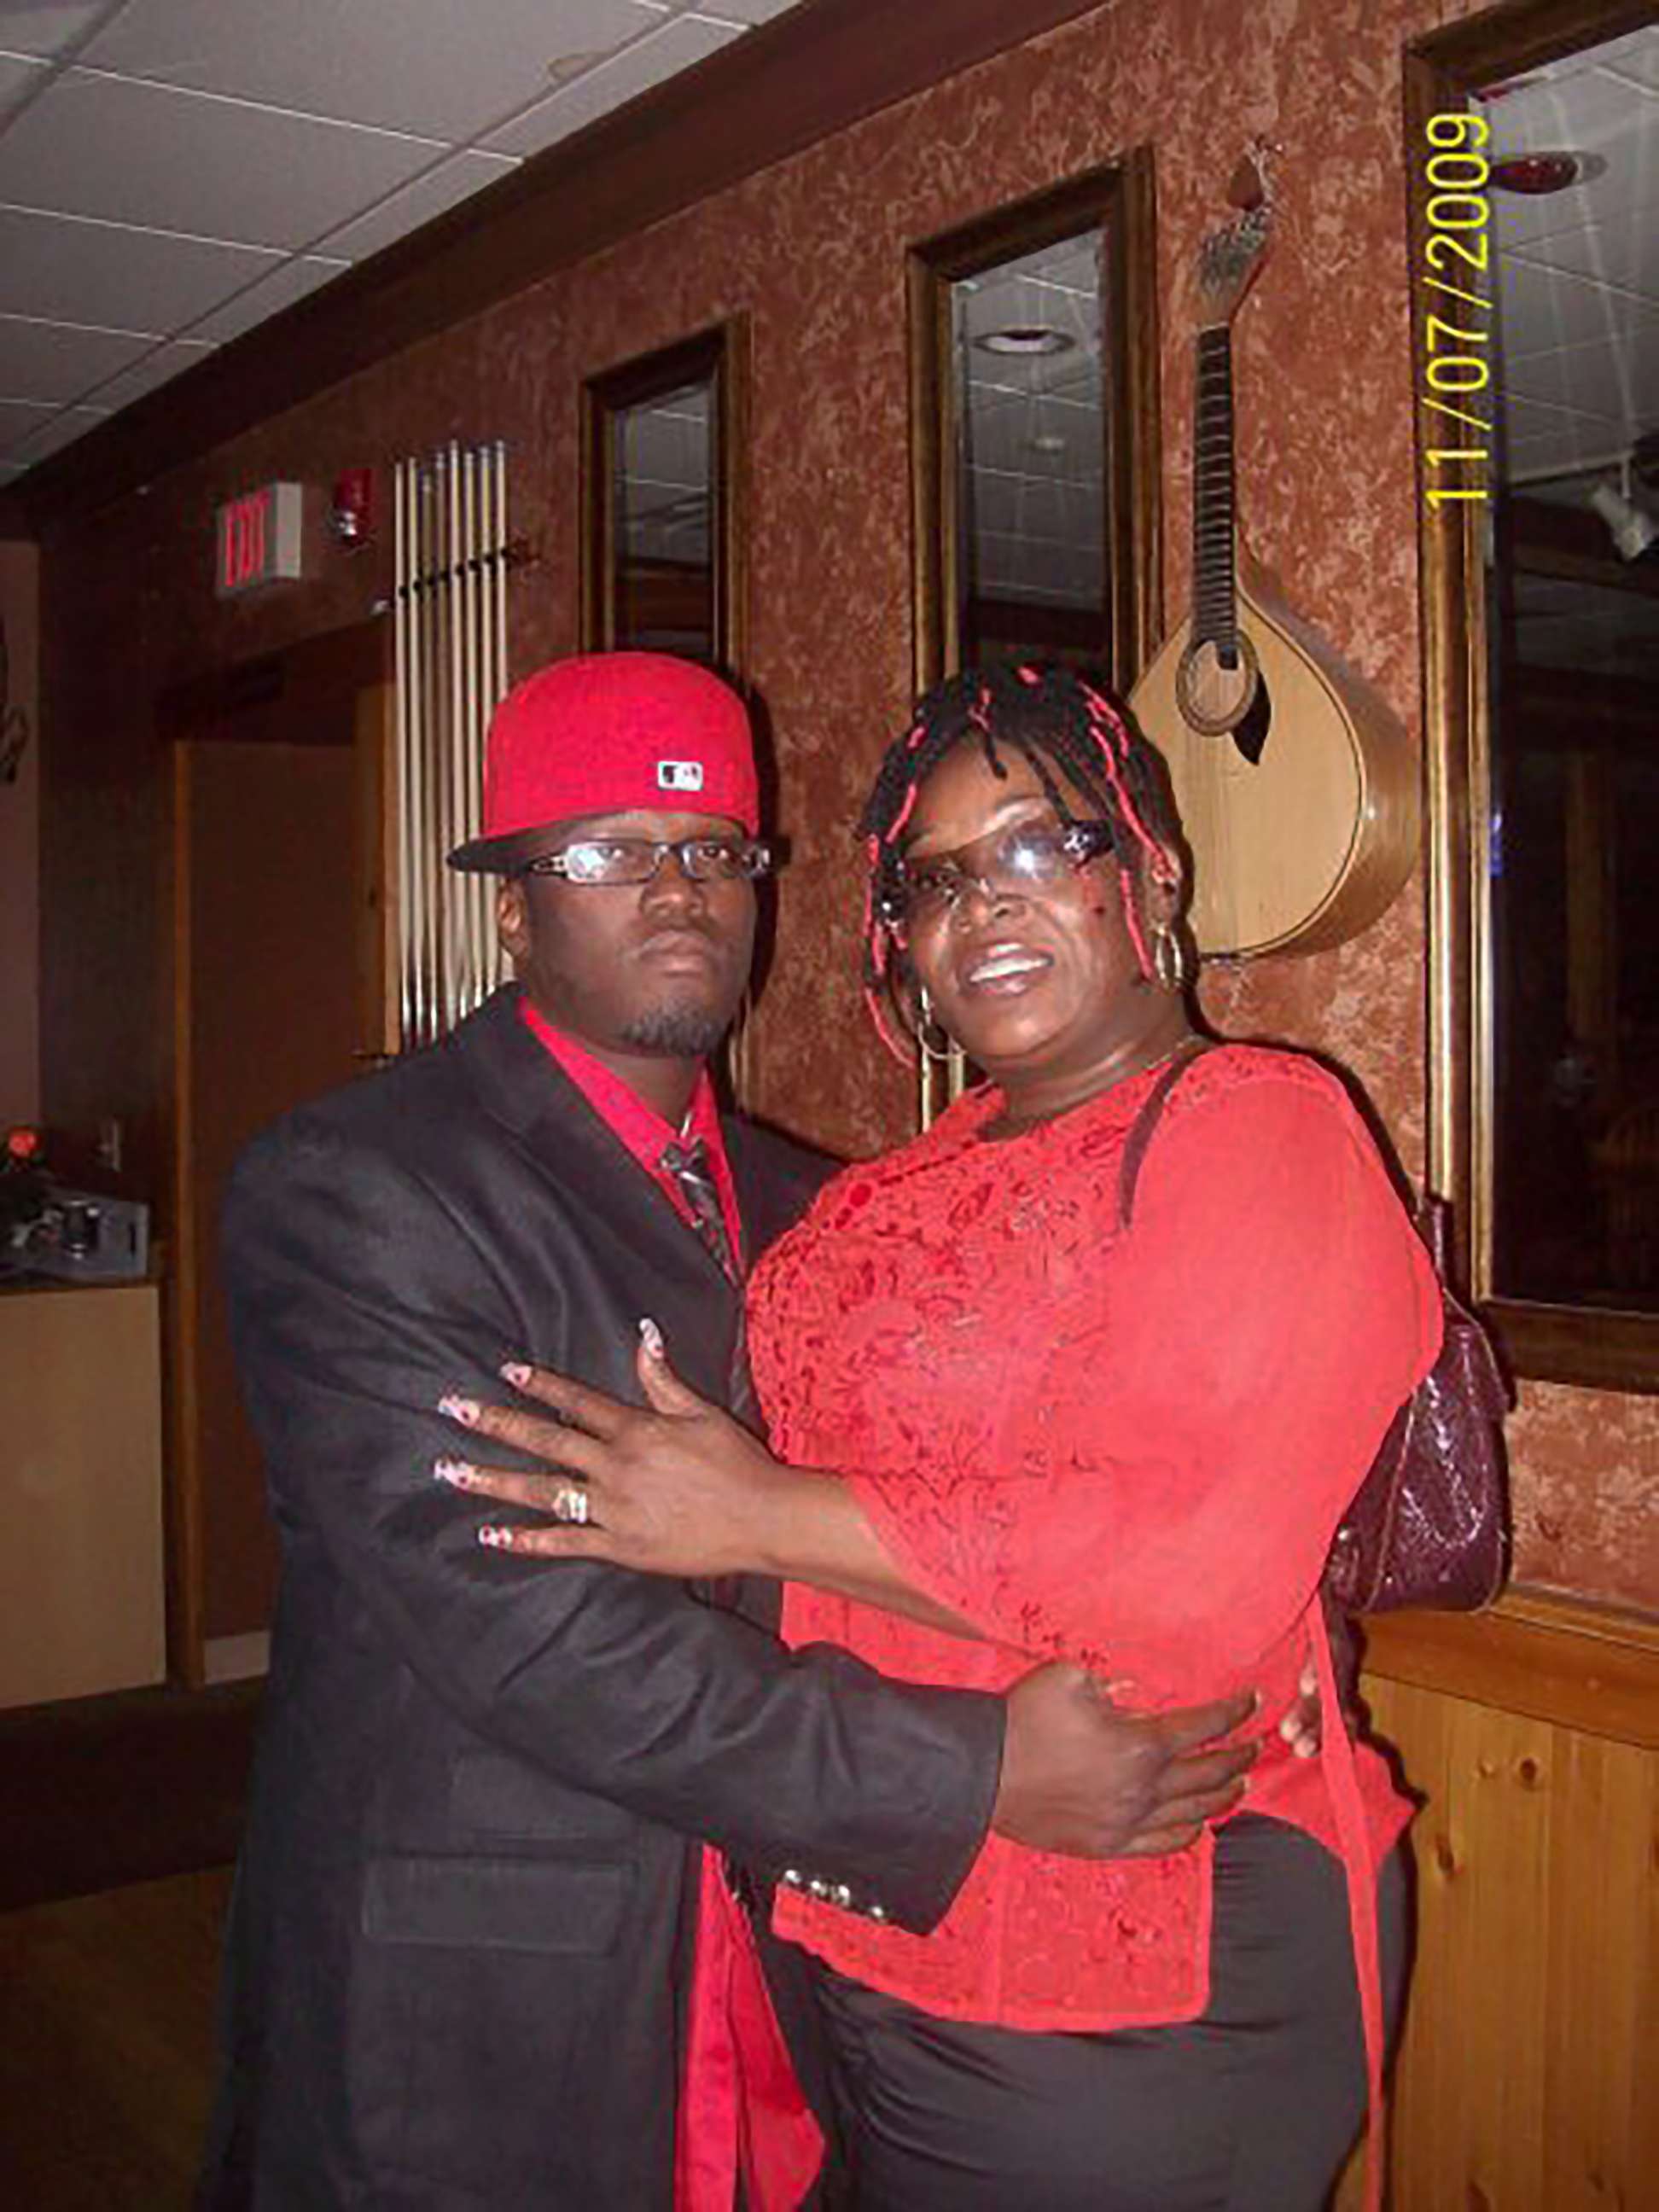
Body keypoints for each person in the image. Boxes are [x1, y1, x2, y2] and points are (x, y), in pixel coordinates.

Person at [200, 651, 1283, 2211]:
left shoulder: (818, 1209)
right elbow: (531, 1636)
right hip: (497, 1995)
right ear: (512, 900)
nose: (678, 892)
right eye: (608, 853)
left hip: (789, 1962)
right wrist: (973, 1773)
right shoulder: (361, 1188)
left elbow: (963, 1506)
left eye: (718, 852)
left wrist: (1194, 1664)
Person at [445, 661, 1442, 2211]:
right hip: (878, 1905)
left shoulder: (1257, 1124)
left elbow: (1183, 1572)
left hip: (1143, 1936)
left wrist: (757, 1512)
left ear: (1147, 873)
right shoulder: (876, 1191)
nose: (990, 906)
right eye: (939, 879)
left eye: (1044, 847)